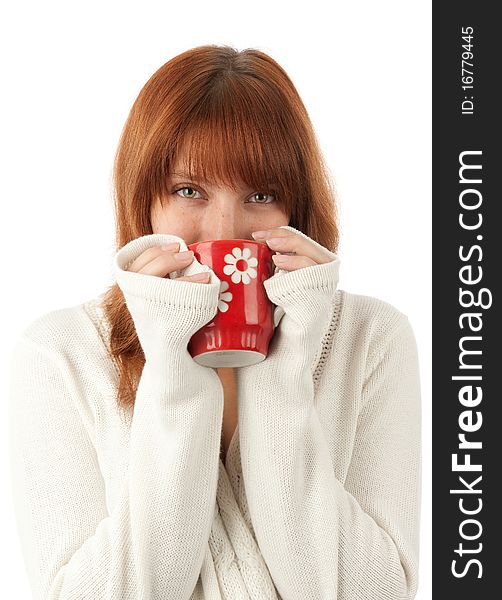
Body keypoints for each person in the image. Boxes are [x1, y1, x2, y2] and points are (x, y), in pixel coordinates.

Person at [8, 45, 421, 600]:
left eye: (260, 194)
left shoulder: (372, 338)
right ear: (143, 204)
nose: (224, 231)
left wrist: (283, 367)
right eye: (188, 191)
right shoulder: (59, 352)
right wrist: (174, 372)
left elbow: (376, 594)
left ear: (296, 208)